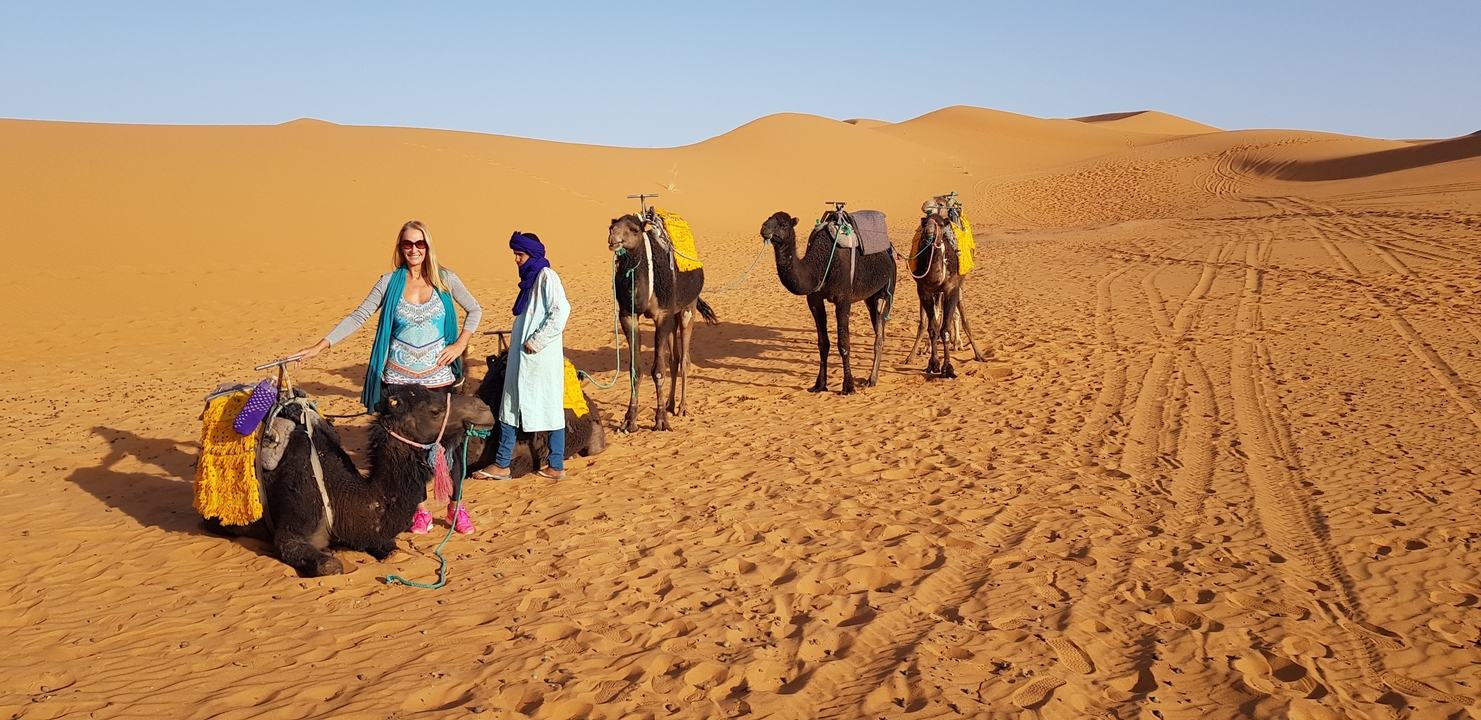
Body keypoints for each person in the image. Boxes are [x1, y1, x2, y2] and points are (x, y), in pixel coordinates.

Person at [291, 220, 483, 534]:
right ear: (400, 248)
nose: (414, 250)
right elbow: (359, 316)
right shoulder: (388, 282)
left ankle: (455, 507)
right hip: (399, 382)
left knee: (449, 447)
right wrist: (319, 346)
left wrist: (460, 344)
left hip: (439, 380)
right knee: (408, 453)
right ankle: (419, 509)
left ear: (428, 247)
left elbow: (474, 309)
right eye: (408, 244)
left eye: (420, 244)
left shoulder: (446, 279)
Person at [484, 231, 570, 481]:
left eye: (519, 254)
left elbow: (561, 311)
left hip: (540, 359)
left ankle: (556, 464)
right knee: (509, 406)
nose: (516, 260)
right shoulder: (530, 282)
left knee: (551, 408)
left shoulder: (546, 277)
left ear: (531, 254)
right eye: (515, 255)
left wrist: (536, 342)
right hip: (522, 359)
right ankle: (502, 464)